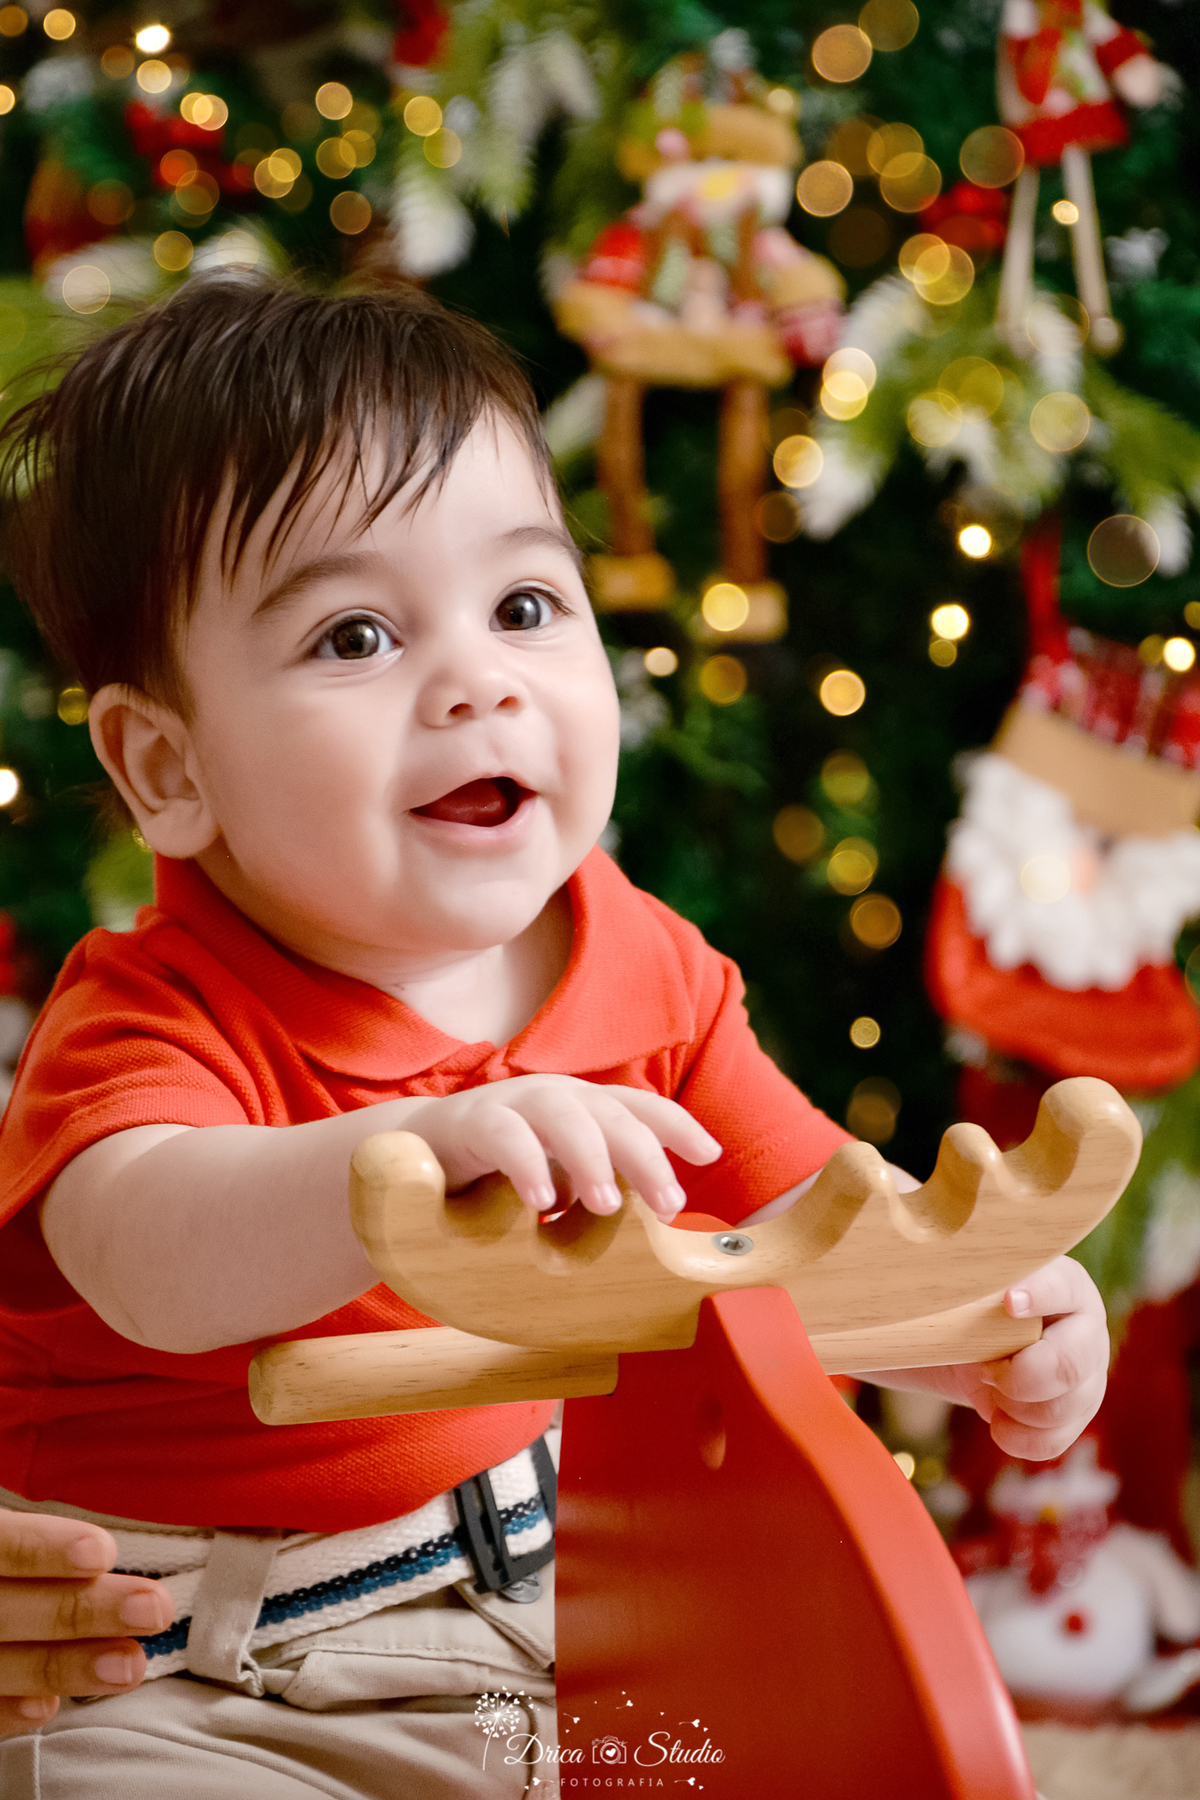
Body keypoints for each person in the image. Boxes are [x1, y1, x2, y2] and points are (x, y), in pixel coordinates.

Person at [0, 277, 1107, 1796]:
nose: (478, 680)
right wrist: (390, 1174)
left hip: (560, 1627)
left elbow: (822, 1211)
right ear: (166, 765)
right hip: (206, 1671)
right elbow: (151, 1254)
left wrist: (989, 1319)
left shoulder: (634, 953)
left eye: (525, 605)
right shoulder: (157, 1007)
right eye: (355, 634)